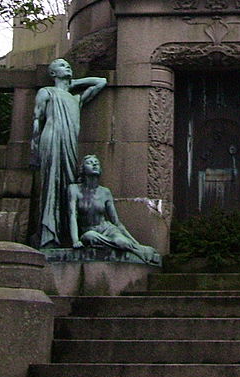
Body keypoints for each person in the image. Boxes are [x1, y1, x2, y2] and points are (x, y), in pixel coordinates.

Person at [31, 59, 107, 248]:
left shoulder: (76, 99)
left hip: (70, 143)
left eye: (68, 65)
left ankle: (67, 233)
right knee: (51, 184)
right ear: (53, 73)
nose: (67, 67)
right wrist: (34, 151)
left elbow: (101, 82)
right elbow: (36, 120)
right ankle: (47, 235)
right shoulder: (46, 92)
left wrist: (73, 83)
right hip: (51, 140)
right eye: (61, 65)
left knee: (69, 182)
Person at [67, 155, 160, 264]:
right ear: (82, 169)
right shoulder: (74, 189)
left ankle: (138, 249)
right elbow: (72, 215)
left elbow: (116, 222)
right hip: (89, 231)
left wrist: (136, 242)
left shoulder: (105, 192)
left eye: (96, 162)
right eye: (90, 162)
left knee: (120, 241)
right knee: (89, 236)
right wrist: (75, 240)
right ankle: (141, 252)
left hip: (107, 229)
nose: (94, 164)